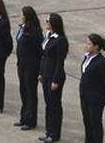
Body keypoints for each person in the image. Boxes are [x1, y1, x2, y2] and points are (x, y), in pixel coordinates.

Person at [40, 12, 69, 143]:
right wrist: (41, 72)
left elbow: (59, 62)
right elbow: (44, 56)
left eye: (47, 21)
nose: (45, 23)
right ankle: (48, 130)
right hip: (45, 74)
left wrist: (56, 80)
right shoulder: (48, 36)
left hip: (54, 76)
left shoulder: (60, 40)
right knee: (48, 104)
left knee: (54, 105)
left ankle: (55, 133)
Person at [14, 6, 43, 130]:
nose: (21, 16)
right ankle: (24, 117)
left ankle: (31, 120)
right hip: (21, 64)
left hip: (31, 66)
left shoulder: (35, 32)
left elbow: (39, 51)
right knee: (23, 91)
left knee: (30, 93)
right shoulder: (23, 28)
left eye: (22, 14)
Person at [80, 34, 105, 143]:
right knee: (87, 122)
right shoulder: (87, 57)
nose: (86, 46)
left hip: (95, 98)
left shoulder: (102, 62)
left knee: (95, 123)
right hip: (85, 96)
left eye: (89, 44)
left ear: (96, 47)